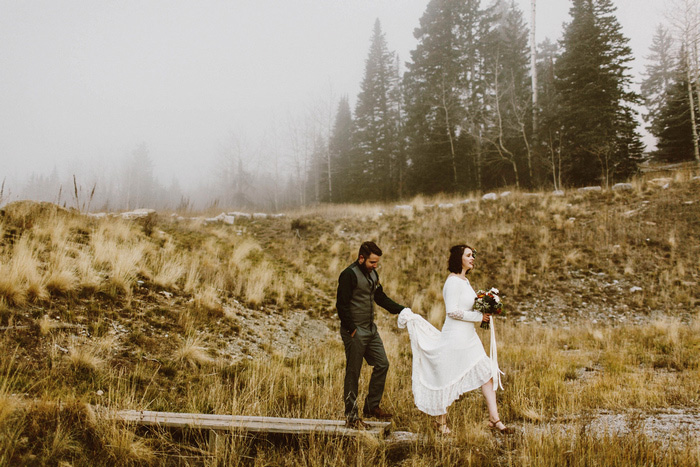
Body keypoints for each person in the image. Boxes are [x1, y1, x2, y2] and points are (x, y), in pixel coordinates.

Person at [398, 244, 513, 435]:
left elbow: (467, 306)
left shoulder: (464, 281)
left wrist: (487, 306)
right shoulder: (452, 282)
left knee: (487, 373)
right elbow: (452, 311)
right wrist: (479, 317)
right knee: (448, 377)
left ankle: (495, 419)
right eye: (469, 255)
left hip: (470, 338)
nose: (472, 258)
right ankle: (440, 422)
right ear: (459, 258)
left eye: (473, 255)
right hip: (455, 338)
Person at [336, 241, 407, 429]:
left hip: (371, 330)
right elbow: (341, 305)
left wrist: (402, 310)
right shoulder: (348, 275)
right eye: (372, 262)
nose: (375, 266)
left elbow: (380, 297)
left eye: (377, 263)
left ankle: (371, 407)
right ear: (361, 258)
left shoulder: (373, 274)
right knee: (353, 372)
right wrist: (352, 329)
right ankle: (352, 417)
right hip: (355, 331)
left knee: (382, 364)